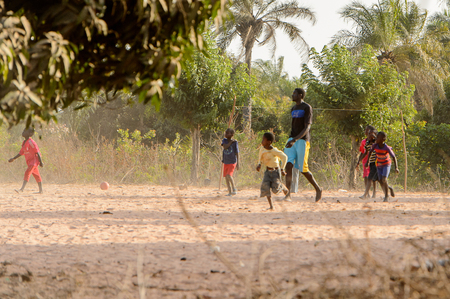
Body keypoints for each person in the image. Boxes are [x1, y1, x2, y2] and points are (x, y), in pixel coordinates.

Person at [284, 88, 322, 202]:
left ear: (300, 95)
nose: (293, 94)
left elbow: (307, 127)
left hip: (302, 141)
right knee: (288, 165)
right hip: (292, 139)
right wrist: (291, 139)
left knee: (303, 168)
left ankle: (318, 189)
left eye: (294, 93)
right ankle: (288, 194)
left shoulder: (307, 107)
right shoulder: (293, 108)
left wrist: (295, 139)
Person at [256, 132, 288, 209]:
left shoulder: (274, 150)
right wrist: (259, 164)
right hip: (267, 171)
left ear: (269, 142)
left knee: (276, 189)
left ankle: (282, 186)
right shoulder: (262, 149)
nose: (262, 141)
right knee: (265, 187)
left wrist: (282, 168)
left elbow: (284, 157)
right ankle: (271, 206)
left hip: (275, 172)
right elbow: (260, 158)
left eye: (264, 140)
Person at [365, 131, 399, 202]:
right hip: (379, 165)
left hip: (386, 164)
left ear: (383, 139)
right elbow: (370, 152)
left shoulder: (386, 148)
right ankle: (389, 188)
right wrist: (367, 161)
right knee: (380, 181)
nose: (376, 138)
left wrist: (396, 167)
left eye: (377, 137)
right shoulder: (375, 146)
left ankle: (386, 196)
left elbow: (393, 157)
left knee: (384, 179)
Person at [8, 128, 44, 193]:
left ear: (30, 134)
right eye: (23, 130)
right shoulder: (24, 142)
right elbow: (21, 152)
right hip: (29, 161)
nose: (23, 132)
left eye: (25, 131)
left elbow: (37, 151)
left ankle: (22, 189)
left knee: (27, 172)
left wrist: (41, 162)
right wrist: (13, 158)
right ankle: (41, 190)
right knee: (37, 175)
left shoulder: (31, 142)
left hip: (34, 161)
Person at [356, 125, 376, 198]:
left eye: (367, 130)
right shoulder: (364, 142)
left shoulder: (375, 141)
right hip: (366, 161)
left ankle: (374, 192)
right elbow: (363, 152)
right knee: (366, 176)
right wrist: (359, 160)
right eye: (365, 130)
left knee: (373, 177)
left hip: (373, 161)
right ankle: (366, 193)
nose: (366, 132)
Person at [221, 128, 239, 196]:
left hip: (232, 161)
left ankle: (234, 188)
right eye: (225, 133)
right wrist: (231, 142)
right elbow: (225, 147)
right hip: (226, 161)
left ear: (232, 135)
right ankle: (229, 192)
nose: (225, 134)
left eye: (227, 133)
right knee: (226, 177)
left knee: (229, 175)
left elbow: (237, 153)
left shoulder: (235, 143)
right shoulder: (224, 140)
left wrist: (238, 163)